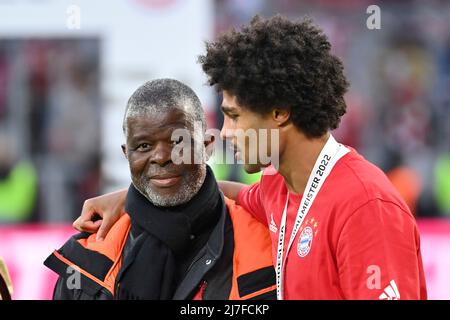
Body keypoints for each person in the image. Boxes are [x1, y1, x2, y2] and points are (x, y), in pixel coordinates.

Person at [74, 16, 427, 300]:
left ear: (279, 113)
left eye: (235, 116)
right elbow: (219, 193)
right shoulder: (280, 192)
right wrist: (130, 198)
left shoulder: (364, 204)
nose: (225, 132)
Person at [44, 79, 276, 300]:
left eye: (178, 142)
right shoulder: (86, 259)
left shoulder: (268, 239)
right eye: (144, 146)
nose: (162, 157)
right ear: (127, 154)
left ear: (207, 146)